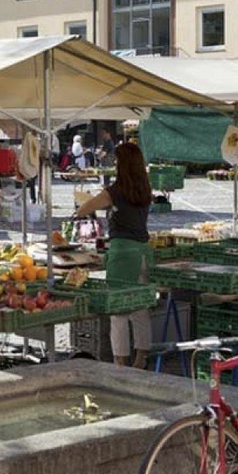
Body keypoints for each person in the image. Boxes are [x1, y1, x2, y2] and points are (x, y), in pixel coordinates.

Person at [74, 142, 154, 369]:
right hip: (144, 252)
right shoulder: (144, 188)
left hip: (122, 253)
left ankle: (120, 361)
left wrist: (92, 200)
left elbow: (83, 210)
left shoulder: (115, 191)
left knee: (118, 312)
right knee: (140, 308)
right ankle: (140, 359)